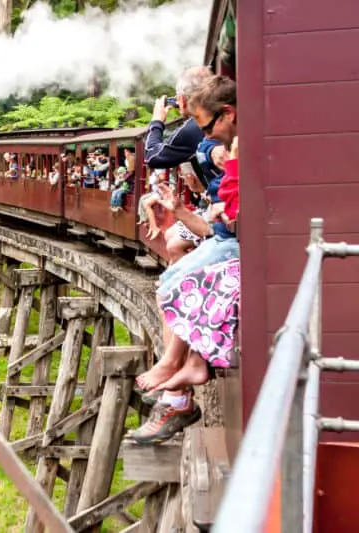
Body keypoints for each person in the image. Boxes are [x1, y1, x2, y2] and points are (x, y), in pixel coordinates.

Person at [131, 75, 240, 444]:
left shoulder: (217, 145)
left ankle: (178, 375)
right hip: (220, 235)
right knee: (171, 278)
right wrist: (180, 208)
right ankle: (181, 369)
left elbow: (156, 155)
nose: (204, 134)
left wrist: (157, 120)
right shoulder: (220, 142)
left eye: (206, 125)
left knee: (175, 281)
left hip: (230, 244)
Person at [137, 170, 166, 240]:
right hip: (157, 191)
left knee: (147, 204)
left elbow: (163, 177)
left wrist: (156, 177)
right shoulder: (157, 168)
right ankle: (150, 224)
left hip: (162, 192)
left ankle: (154, 228)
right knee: (143, 199)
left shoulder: (160, 167)